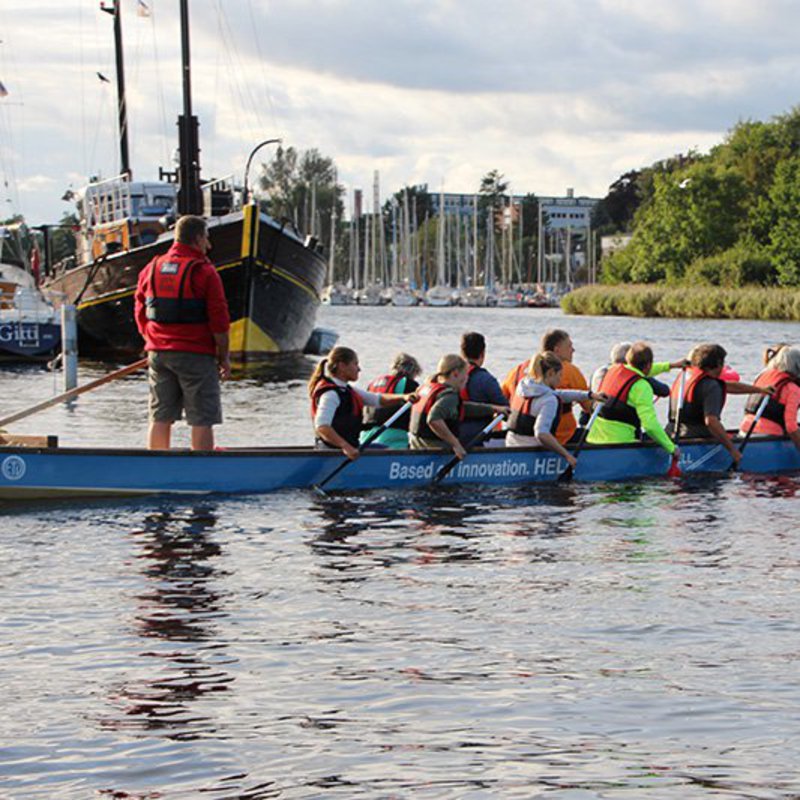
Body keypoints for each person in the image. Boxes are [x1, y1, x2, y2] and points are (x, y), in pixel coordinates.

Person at [134, 214, 230, 451]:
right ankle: (202, 471)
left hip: (158, 352)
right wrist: (224, 357)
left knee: (160, 415)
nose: (209, 245)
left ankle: (156, 467)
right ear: (197, 238)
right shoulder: (205, 272)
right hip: (195, 353)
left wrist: (152, 340)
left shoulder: (151, 268)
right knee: (202, 418)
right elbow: (219, 321)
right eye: (207, 238)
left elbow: (140, 310)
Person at [668, 343, 771, 467]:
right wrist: (733, 450)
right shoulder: (710, 385)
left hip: (672, 432)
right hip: (694, 437)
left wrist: (760, 390)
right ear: (718, 363)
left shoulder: (687, 377)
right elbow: (711, 422)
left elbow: (726, 386)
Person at [309, 346, 416, 460]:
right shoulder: (331, 394)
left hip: (347, 448)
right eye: (355, 364)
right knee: (385, 454)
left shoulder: (347, 390)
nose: (359, 369)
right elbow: (322, 426)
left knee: (383, 449)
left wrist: (404, 397)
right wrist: (345, 446)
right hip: (333, 452)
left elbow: (377, 400)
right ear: (342, 366)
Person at [506, 351, 601, 468]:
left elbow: (558, 394)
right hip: (530, 455)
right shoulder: (549, 400)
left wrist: (589, 395)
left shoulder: (524, 386)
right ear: (551, 373)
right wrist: (567, 456)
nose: (560, 380)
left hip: (511, 446)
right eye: (559, 375)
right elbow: (541, 433)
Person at [587, 342, 678, 458]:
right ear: (648, 365)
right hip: (621, 444)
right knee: (657, 435)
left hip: (593, 439)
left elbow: (642, 370)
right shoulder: (641, 386)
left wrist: (670, 366)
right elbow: (650, 425)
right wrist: (671, 449)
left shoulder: (613, 370)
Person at [409, 354, 508, 459]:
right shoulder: (449, 395)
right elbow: (434, 419)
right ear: (455, 374)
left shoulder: (426, 388)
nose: (467, 379)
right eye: (465, 375)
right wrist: (455, 444)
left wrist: (494, 409)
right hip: (434, 452)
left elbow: (460, 407)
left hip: (416, 447)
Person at [502, 329, 590, 444]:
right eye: (569, 346)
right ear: (557, 350)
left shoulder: (517, 370)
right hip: (560, 437)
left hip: (517, 437)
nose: (573, 350)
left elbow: (501, 402)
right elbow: (588, 407)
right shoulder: (569, 370)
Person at [740, 345, 800, 453]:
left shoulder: (761, 378)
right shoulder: (793, 388)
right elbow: (791, 427)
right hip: (768, 435)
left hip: (744, 431)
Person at [360, 352, 422, 449]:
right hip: (393, 436)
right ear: (412, 371)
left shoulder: (372, 383)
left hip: (365, 435)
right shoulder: (408, 384)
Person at [458, 331, 508, 445]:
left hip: (451, 436)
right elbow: (507, 412)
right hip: (478, 439)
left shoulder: (450, 375)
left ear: (462, 353)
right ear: (482, 353)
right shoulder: (486, 380)